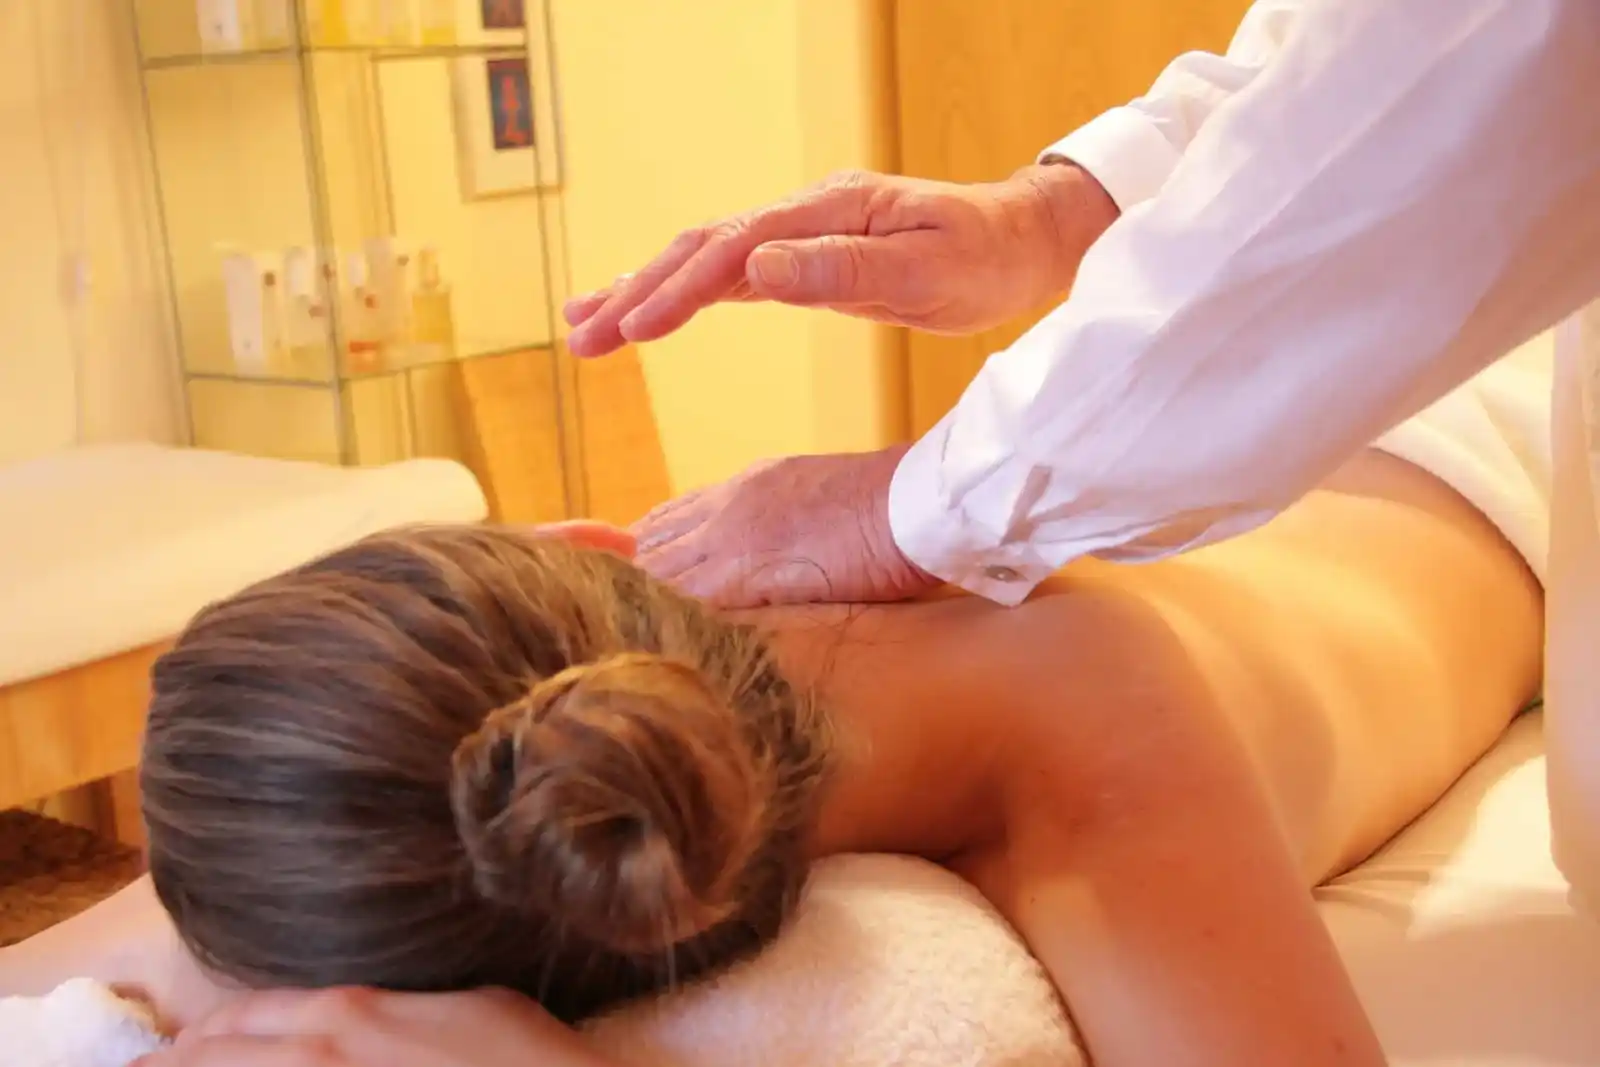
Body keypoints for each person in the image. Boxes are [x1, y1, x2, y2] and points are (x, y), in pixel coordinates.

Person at [0, 373, 1547, 1066]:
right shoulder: (510, 743)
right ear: (590, 543)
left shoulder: (1082, 695)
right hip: (1309, 401)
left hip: (1502, 452)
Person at [566, 0, 1600, 913]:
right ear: (581, 542)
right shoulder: (1075, 693)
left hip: (1455, 472)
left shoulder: (1054, 700)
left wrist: (921, 504)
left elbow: (1470, 57)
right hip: (1469, 479)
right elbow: (1411, 54)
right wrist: (1055, 216)